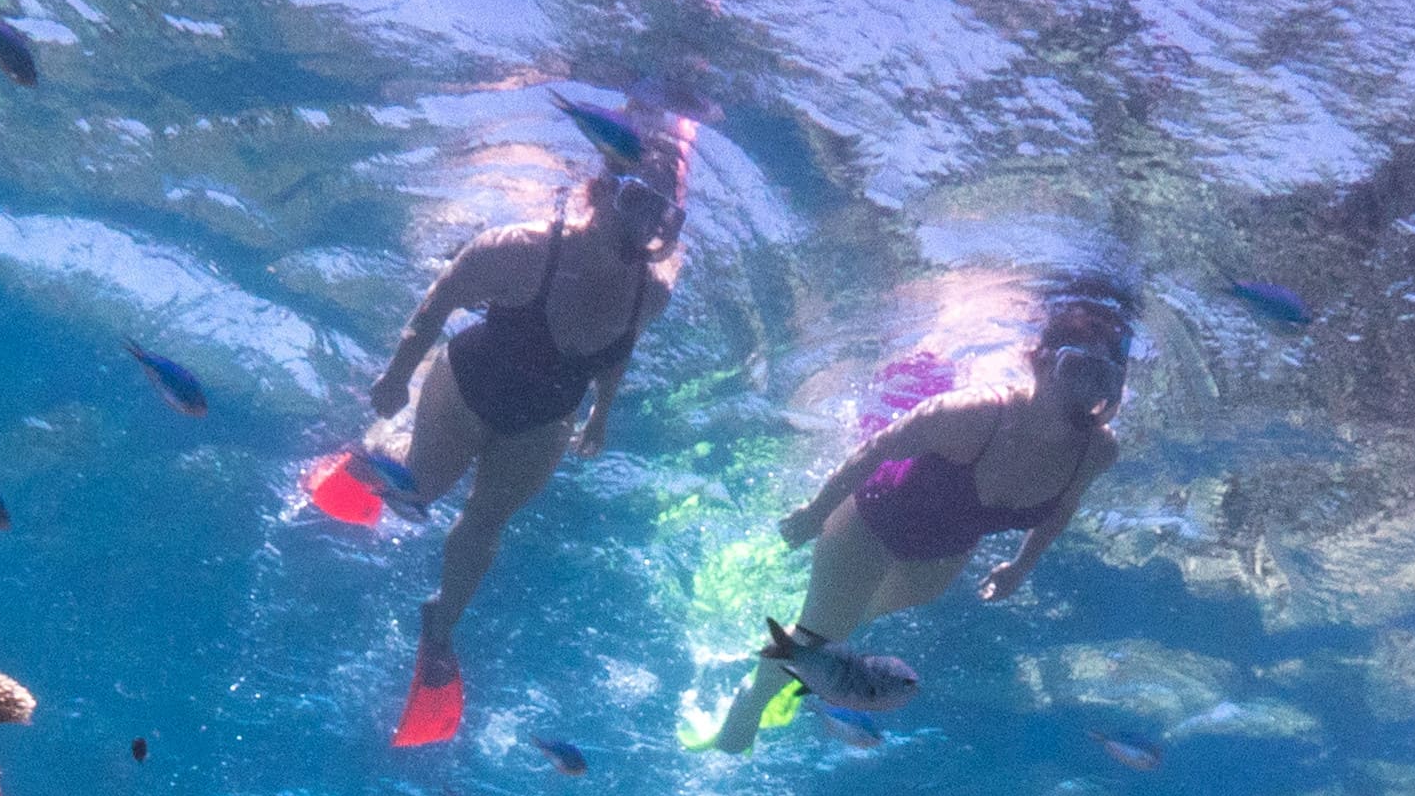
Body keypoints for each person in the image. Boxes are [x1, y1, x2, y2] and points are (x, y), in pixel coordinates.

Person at [357, 141, 684, 729]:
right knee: (420, 488)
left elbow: (618, 352)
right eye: (636, 202)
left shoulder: (651, 294)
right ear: (601, 192)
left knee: (487, 521)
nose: (644, 226)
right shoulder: (524, 250)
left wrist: (601, 414)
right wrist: (397, 374)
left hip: (544, 424)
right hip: (466, 389)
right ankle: (375, 455)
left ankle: (441, 626)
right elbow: (443, 297)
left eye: (659, 213)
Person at [710, 291, 1128, 750]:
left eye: (1101, 374)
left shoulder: (1098, 449)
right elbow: (875, 449)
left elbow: (1063, 507)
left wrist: (1021, 565)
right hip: (872, 522)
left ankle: (807, 672)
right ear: (1038, 360)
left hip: (942, 554)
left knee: (851, 624)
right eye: (1075, 367)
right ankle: (749, 703)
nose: (1083, 389)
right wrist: (816, 513)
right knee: (820, 632)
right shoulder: (974, 414)